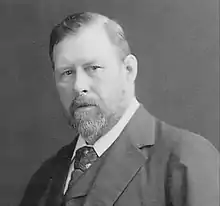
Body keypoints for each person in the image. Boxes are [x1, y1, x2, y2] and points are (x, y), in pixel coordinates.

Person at [19, 12, 219, 206]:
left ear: (129, 70)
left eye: (93, 68)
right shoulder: (46, 177)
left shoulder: (185, 162)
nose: (79, 85)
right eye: (67, 72)